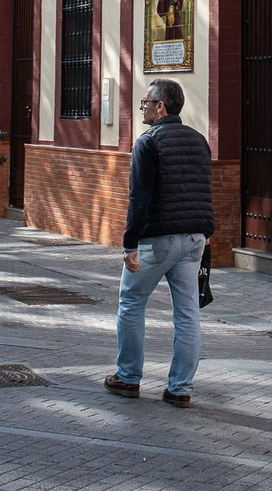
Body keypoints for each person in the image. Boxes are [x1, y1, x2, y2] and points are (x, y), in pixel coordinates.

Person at [106, 78, 213, 408]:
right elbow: (204, 190)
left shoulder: (147, 142)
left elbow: (140, 196)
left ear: (160, 106)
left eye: (145, 103)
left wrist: (129, 243)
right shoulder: (199, 141)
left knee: (131, 301)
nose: (142, 108)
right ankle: (180, 388)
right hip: (196, 238)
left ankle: (128, 378)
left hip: (159, 239)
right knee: (187, 313)